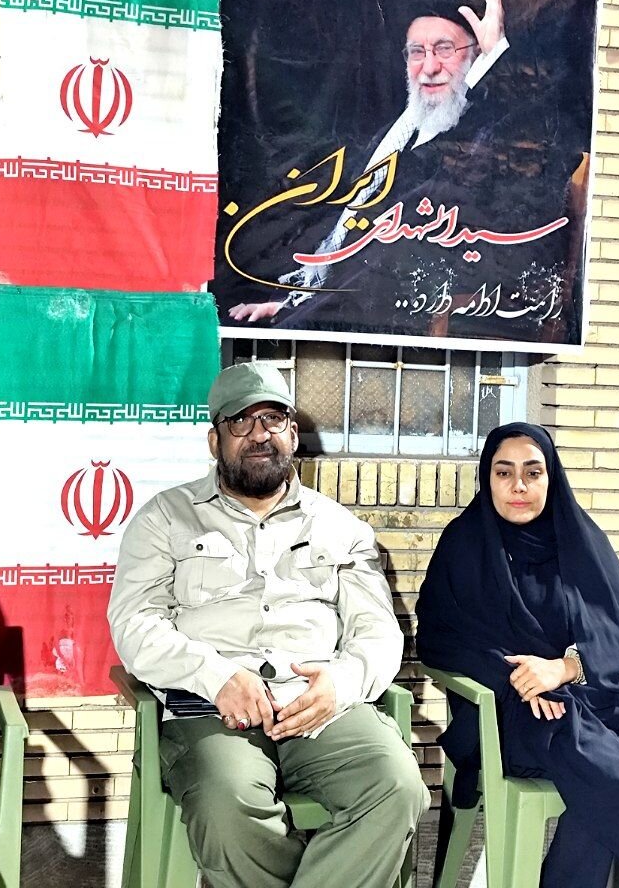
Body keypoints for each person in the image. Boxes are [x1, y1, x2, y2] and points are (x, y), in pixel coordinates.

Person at [107, 362, 428, 888]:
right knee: (226, 806)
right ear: (214, 441)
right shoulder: (165, 517)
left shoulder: (340, 526)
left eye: (273, 419)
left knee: (396, 786)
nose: (259, 434)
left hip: (318, 707)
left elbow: (378, 631)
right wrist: (216, 676)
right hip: (211, 708)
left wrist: (340, 684)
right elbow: (134, 623)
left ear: (293, 434)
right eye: (240, 421)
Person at [416, 423, 619, 888]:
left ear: (552, 478)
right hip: (521, 710)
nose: (519, 486)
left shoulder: (580, 538)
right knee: (603, 769)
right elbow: (439, 637)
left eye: (533, 472)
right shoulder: (464, 545)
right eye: (504, 473)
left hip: (608, 688)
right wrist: (517, 678)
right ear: (487, 478)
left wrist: (566, 668)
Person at [221, 0, 588, 343]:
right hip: (344, 302)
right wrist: (291, 300)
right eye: (417, 52)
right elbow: (346, 233)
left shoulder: (486, 135)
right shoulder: (392, 136)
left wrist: (494, 55)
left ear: (473, 57)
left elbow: (542, 147)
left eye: (444, 49)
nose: (429, 67)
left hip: (412, 314)